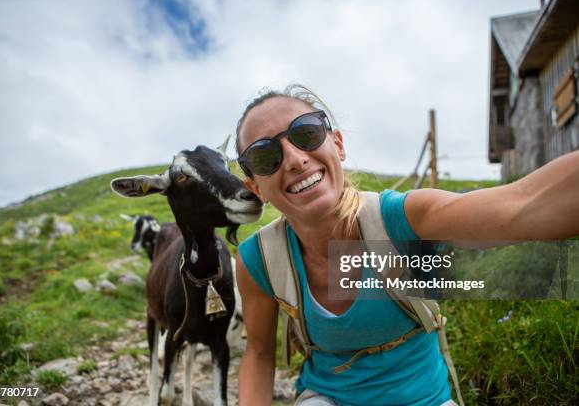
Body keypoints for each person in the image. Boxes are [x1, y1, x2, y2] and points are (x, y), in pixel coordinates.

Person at [233, 84, 579, 406]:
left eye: (306, 133)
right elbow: (259, 353)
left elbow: (525, 207)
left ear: (337, 144)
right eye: (265, 157)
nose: (294, 159)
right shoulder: (259, 260)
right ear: (256, 188)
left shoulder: (401, 221)